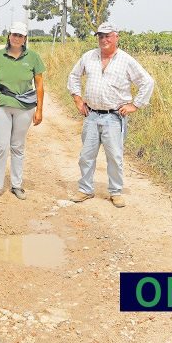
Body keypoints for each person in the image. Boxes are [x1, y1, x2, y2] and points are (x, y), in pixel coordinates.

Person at [67, 22, 155, 208]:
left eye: (108, 36)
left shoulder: (126, 60)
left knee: (114, 156)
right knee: (86, 155)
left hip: (114, 117)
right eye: (100, 36)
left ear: (116, 37)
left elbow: (147, 82)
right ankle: (85, 189)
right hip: (91, 115)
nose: (104, 39)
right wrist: (77, 99)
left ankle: (115, 192)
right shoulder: (89, 57)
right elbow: (74, 76)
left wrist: (135, 105)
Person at [0, 21, 45, 202]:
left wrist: (40, 109)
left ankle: (17, 185)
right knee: (1, 146)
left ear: (25, 38)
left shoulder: (33, 57)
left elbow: (39, 84)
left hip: (25, 107)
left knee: (18, 146)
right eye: (14, 35)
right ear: (9, 36)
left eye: (20, 35)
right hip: (1, 104)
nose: (16, 38)